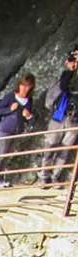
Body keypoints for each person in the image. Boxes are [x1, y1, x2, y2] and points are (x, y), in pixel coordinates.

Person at [0, 73, 36, 186]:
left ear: (31, 87)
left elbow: (30, 118)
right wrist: (9, 109)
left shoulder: (29, 101)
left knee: (7, 154)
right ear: (19, 85)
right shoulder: (10, 96)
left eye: (27, 86)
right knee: (1, 152)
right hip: (5, 129)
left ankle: (0, 177)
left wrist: (28, 116)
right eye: (23, 85)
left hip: (17, 131)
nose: (24, 88)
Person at [41, 48, 78, 185]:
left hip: (75, 119)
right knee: (51, 145)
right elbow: (64, 86)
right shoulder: (66, 74)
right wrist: (72, 70)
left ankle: (56, 176)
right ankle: (44, 175)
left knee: (65, 149)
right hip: (59, 116)